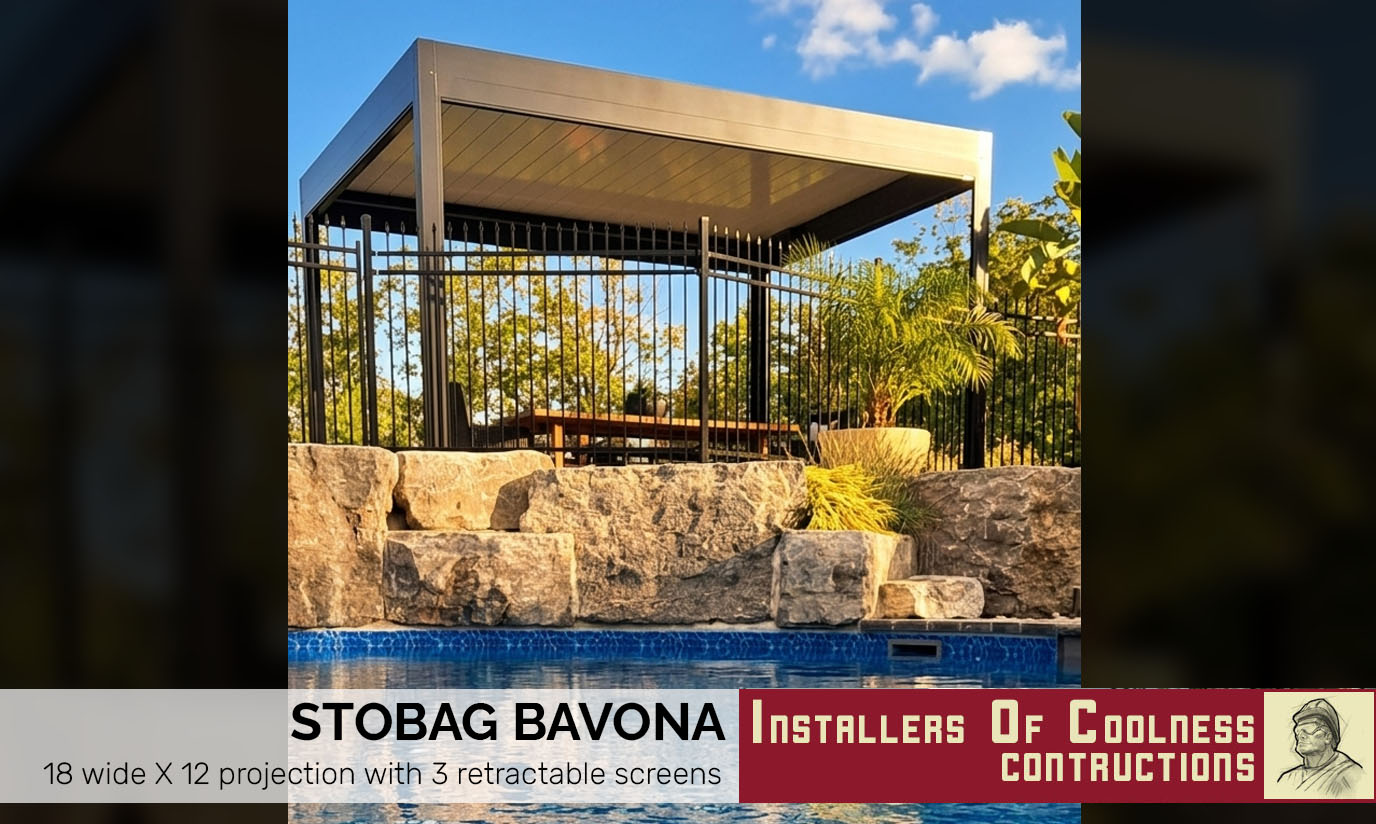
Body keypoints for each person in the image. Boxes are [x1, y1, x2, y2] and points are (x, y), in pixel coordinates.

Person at [1276, 698, 1364, 797]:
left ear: (1328, 737)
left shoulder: (1352, 776)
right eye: (1298, 731)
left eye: (1308, 730)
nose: (1301, 736)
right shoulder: (1287, 778)